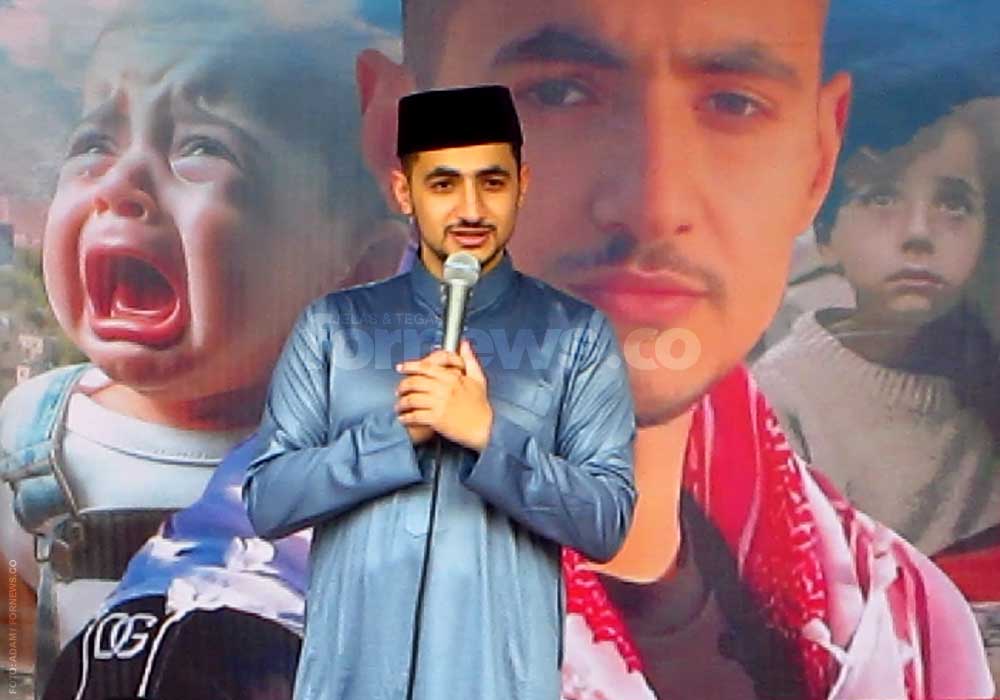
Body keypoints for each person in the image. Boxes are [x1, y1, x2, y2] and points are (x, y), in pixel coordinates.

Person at [353, 0, 995, 697]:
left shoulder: (908, 628)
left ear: (816, 161)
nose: (655, 207)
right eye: (557, 93)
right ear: (398, 140)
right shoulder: (291, 633)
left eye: (734, 103)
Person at [0, 4, 402, 695]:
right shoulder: (34, 439)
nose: (118, 187)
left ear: (361, 267)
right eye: (93, 142)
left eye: (203, 147)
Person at [242, 84, 637, 700]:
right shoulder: (335, 327)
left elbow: (606, 521)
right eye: (444, 184)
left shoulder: (573, 336)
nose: (471, 209)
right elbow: (269, 500)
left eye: (492, 182)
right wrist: (395, 436)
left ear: (522, 185)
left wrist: (489, 436)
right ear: (405, 191)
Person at [754, 100, 1000, 557]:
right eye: (882, 198)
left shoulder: (984, 376)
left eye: (953, 203)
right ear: (825, 235)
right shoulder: (782, 397)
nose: (919, 233)